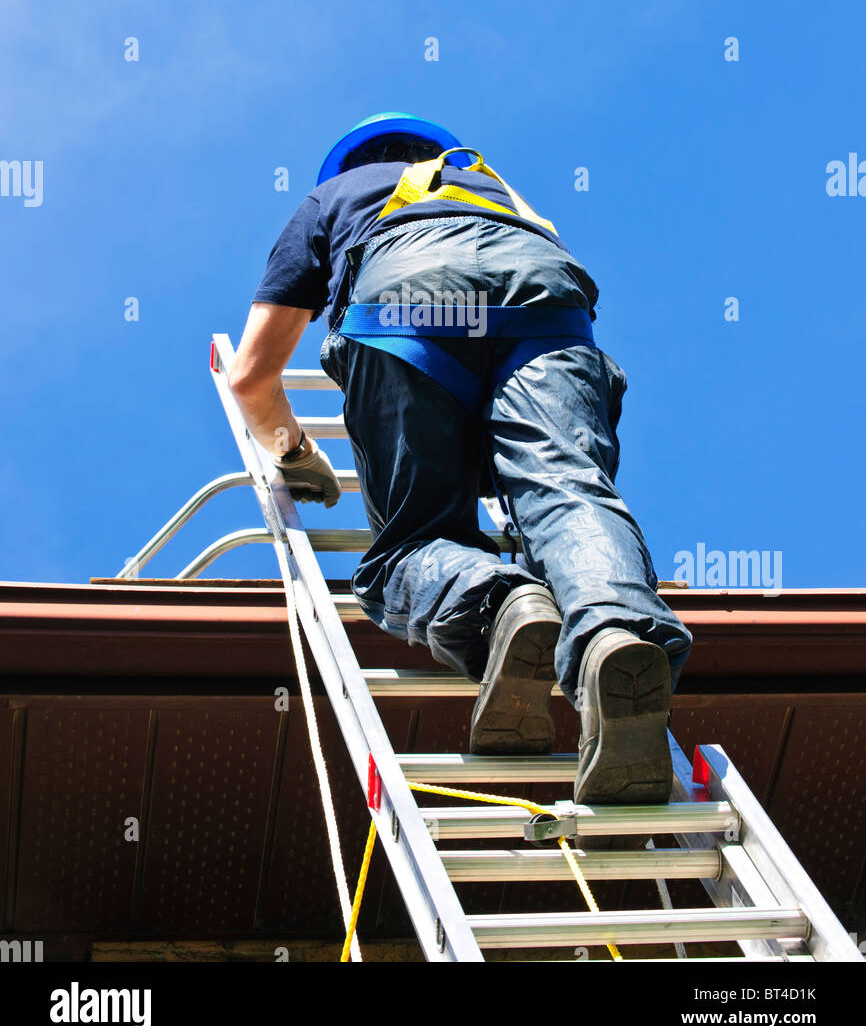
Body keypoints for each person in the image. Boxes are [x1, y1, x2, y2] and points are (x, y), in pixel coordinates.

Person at [229, 112, 692, 807]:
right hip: (545, 304)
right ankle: (615, 635)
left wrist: (296, 452)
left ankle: (499, 602)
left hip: (407, 305)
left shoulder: (332, 200)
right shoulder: (500, 191)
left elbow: (249, 379)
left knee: (408, 549)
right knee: (567, 492)